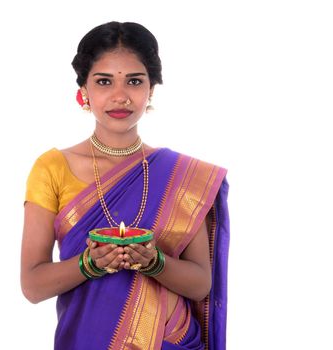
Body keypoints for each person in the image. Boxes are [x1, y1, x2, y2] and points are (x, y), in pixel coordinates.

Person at [21, 21, 229, 350]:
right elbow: (33, 285)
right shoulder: (53, 168)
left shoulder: (183, 175)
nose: (120, 96)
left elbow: (200, 283)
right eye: (104, 81)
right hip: (86, 339)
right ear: (84, 92)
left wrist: (154, 263)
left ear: (151, 91)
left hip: (170, 340)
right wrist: (89, 265)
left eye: (134, 81)